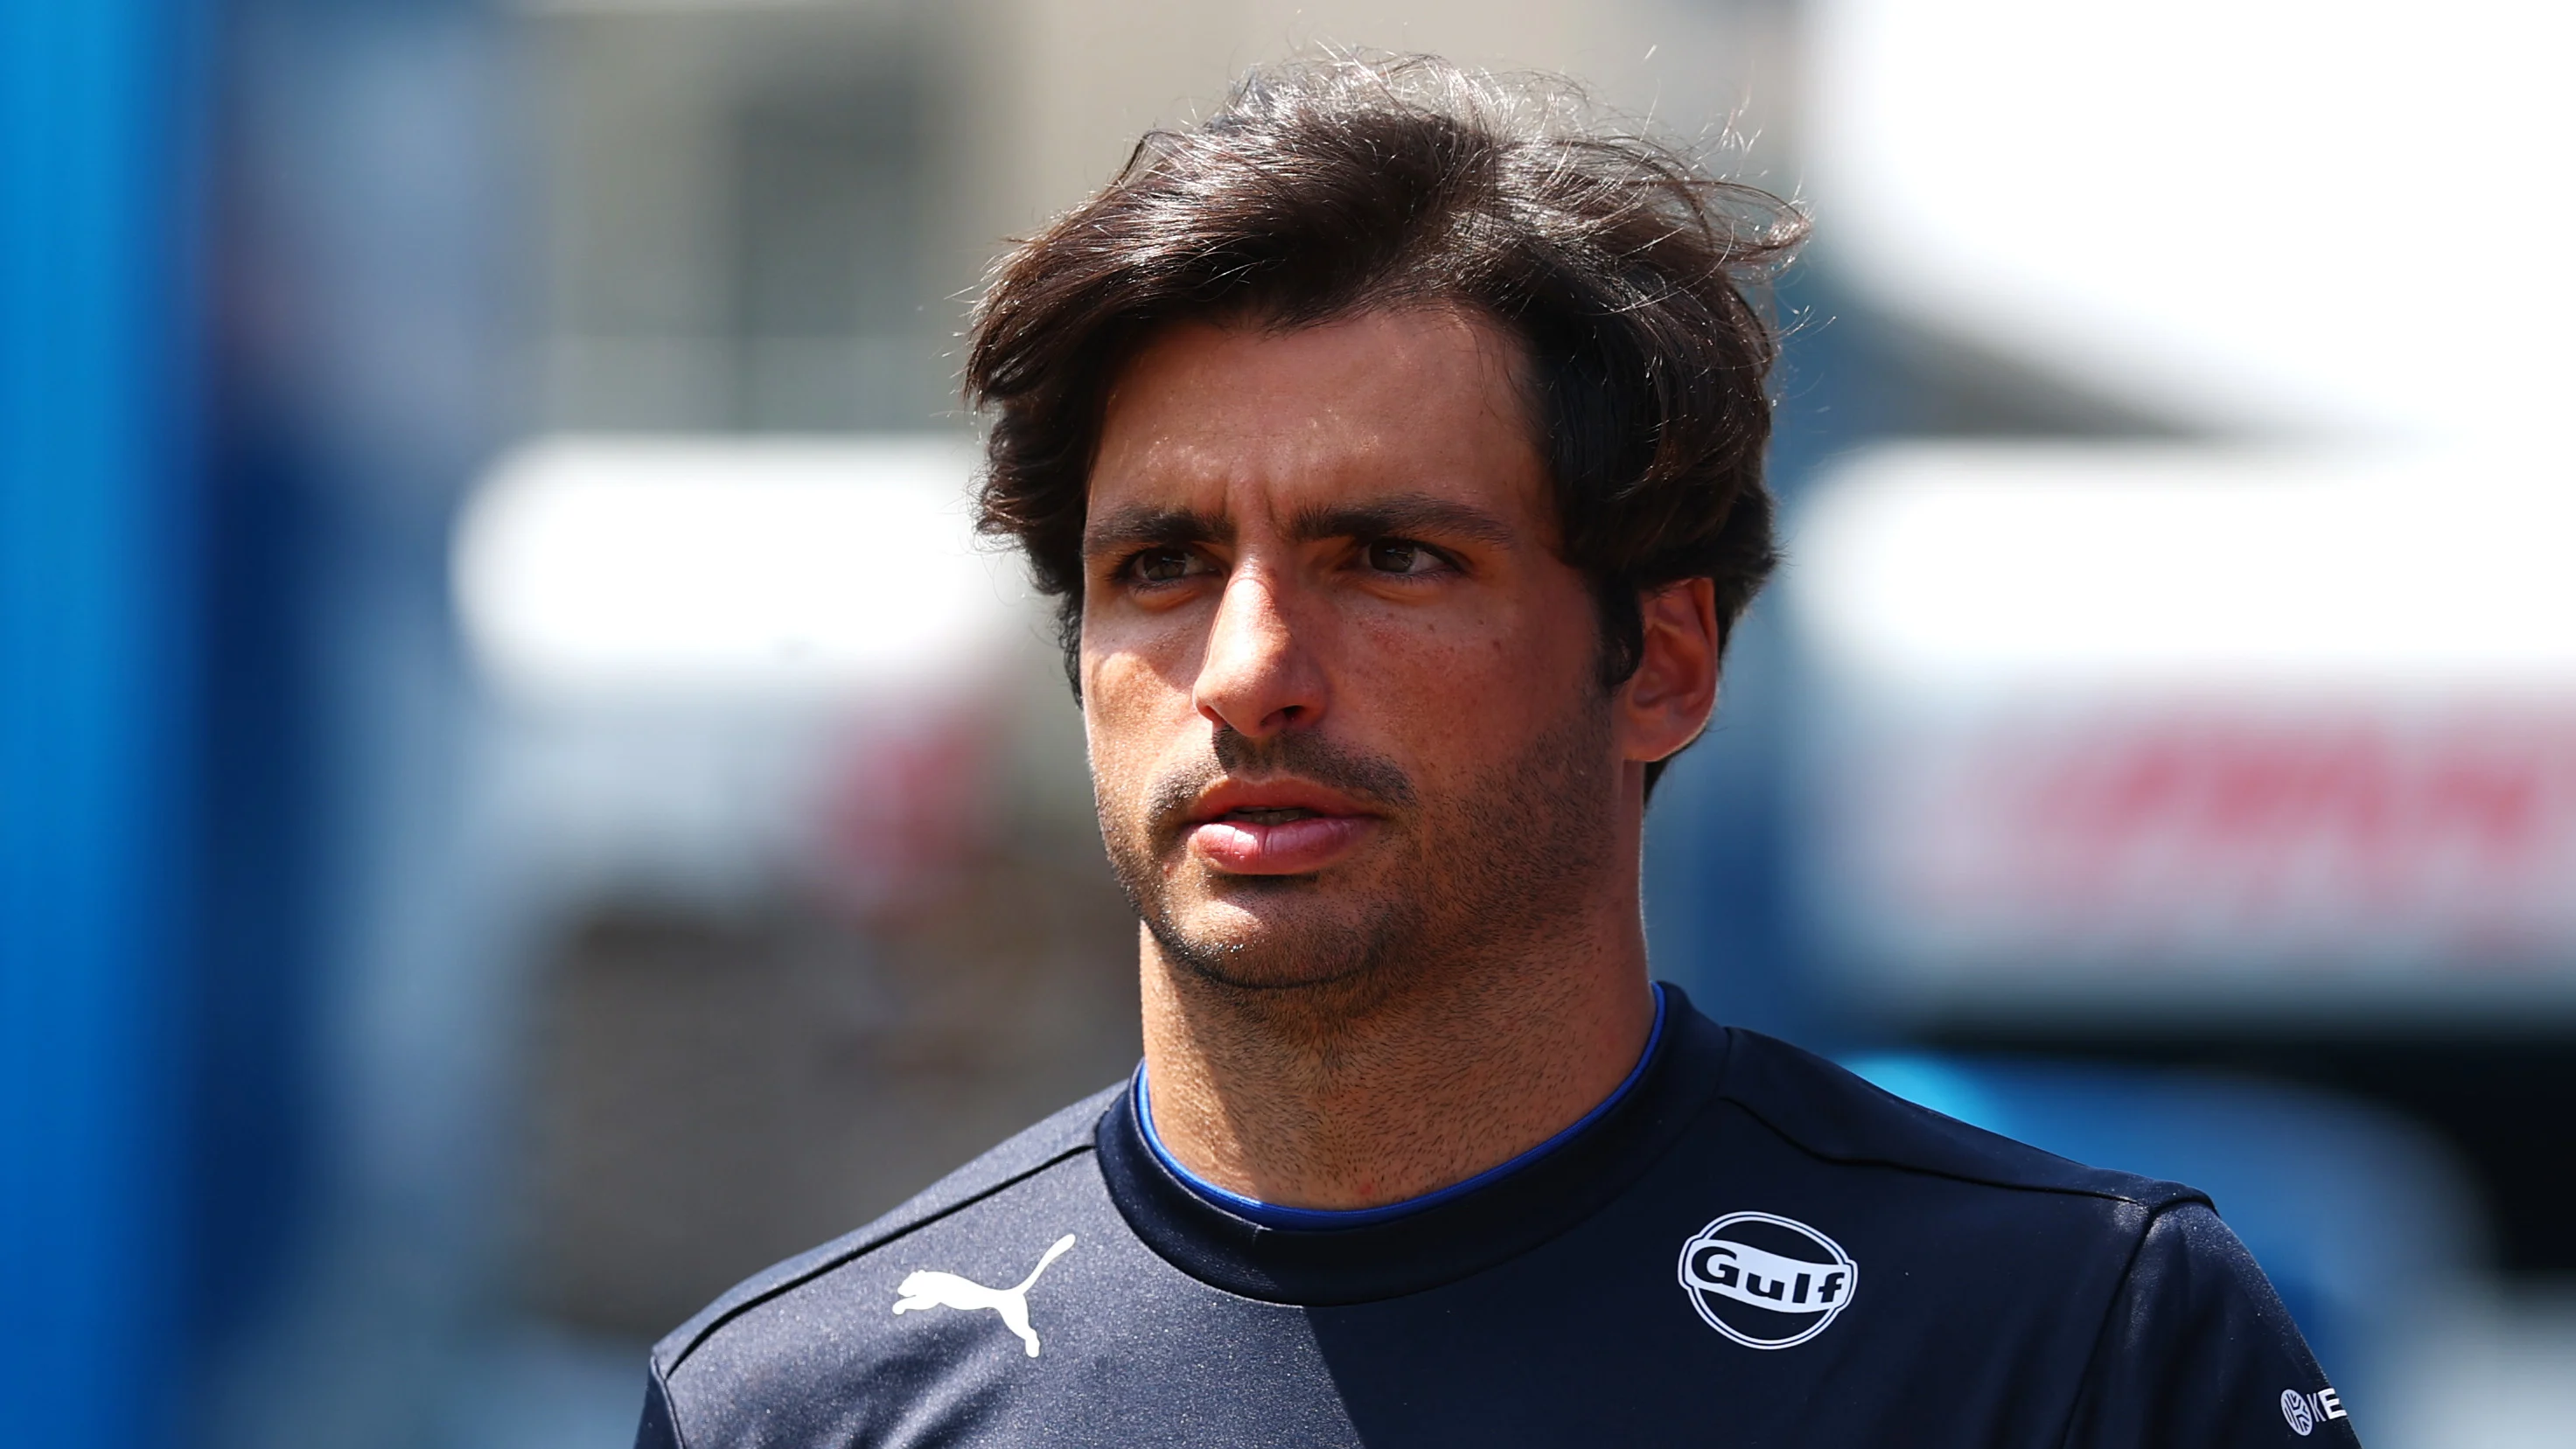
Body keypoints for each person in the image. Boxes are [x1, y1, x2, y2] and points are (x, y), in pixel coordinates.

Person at [633, 54, 2357, 1448]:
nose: (1249, 672)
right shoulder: (797, 1408)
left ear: (1661, 662)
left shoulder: (2069, 1338)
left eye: (1390, 557)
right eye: (1159, 565)